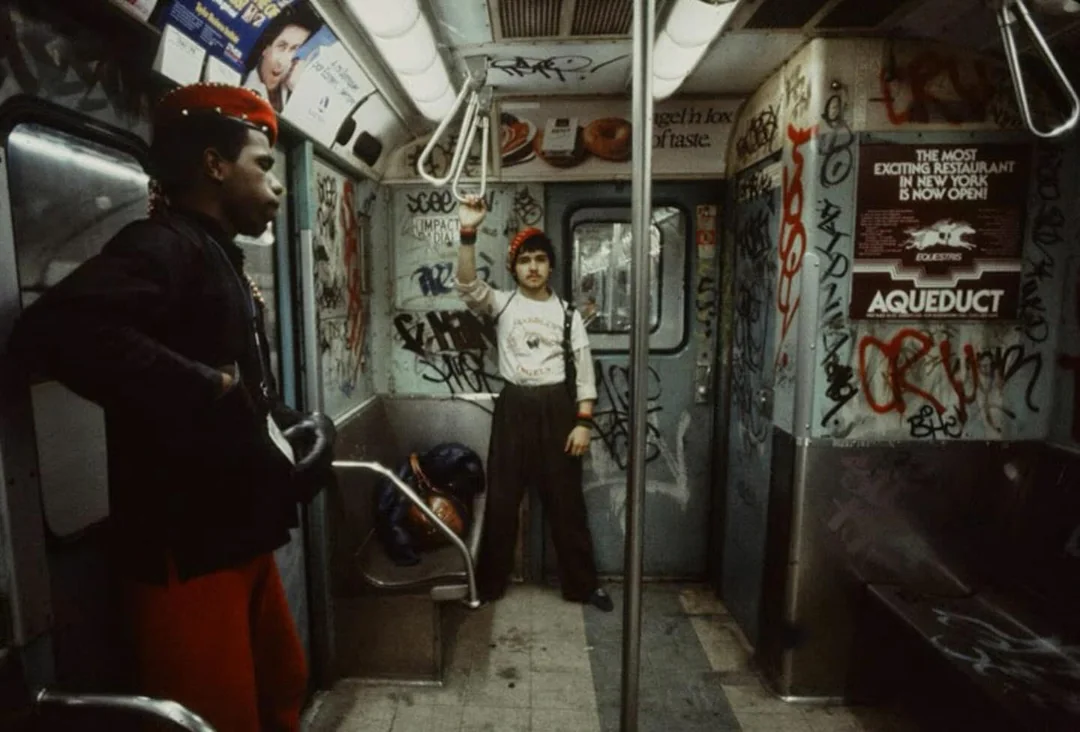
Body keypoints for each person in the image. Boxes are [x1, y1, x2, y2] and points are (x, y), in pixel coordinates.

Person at [5, 83, 336, 732]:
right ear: (215, 165)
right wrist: (203, 386)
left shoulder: (216, 256)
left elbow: (237, 382)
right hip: (184, 552)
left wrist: (286, 422)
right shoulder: (164, 245)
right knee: (218, 717)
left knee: (283, 685)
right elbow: (59, 330)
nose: (277, 186)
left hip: (237, 535)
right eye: (263, 165)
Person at [455, 195, 613, 612]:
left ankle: (582, 586)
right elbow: (467, 285)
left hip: (556, 408)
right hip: (514, 406)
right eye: (525, 260)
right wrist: (468, 231)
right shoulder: (502, 303)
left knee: (566, 502)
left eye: (540, 259)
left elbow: (584, 371)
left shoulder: (567, 314)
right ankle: (488, 585)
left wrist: (583, 422)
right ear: (514, 268)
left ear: (551, 266)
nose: (533, 267)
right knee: (502, 499)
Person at [241, 4, 319, 112]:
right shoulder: (244, 87)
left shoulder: (294, 85)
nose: (283, 62)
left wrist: (298, 92)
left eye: (294, 49)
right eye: (281, 47)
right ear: (265, 48)